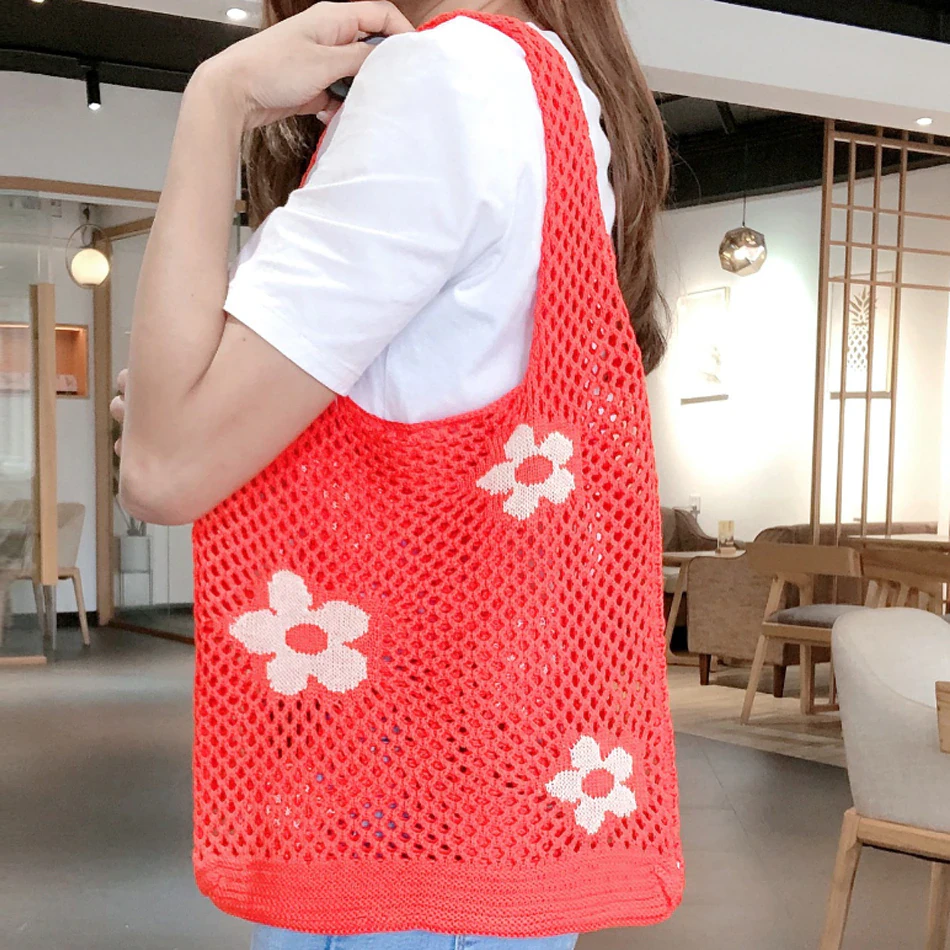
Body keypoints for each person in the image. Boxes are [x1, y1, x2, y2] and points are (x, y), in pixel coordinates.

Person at [112, 1, 682, 948]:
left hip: (387, 793)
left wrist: (217, 98)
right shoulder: (552, 85)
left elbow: (163, 469)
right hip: (492, 777)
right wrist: (210, 404)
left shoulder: (444, 81)